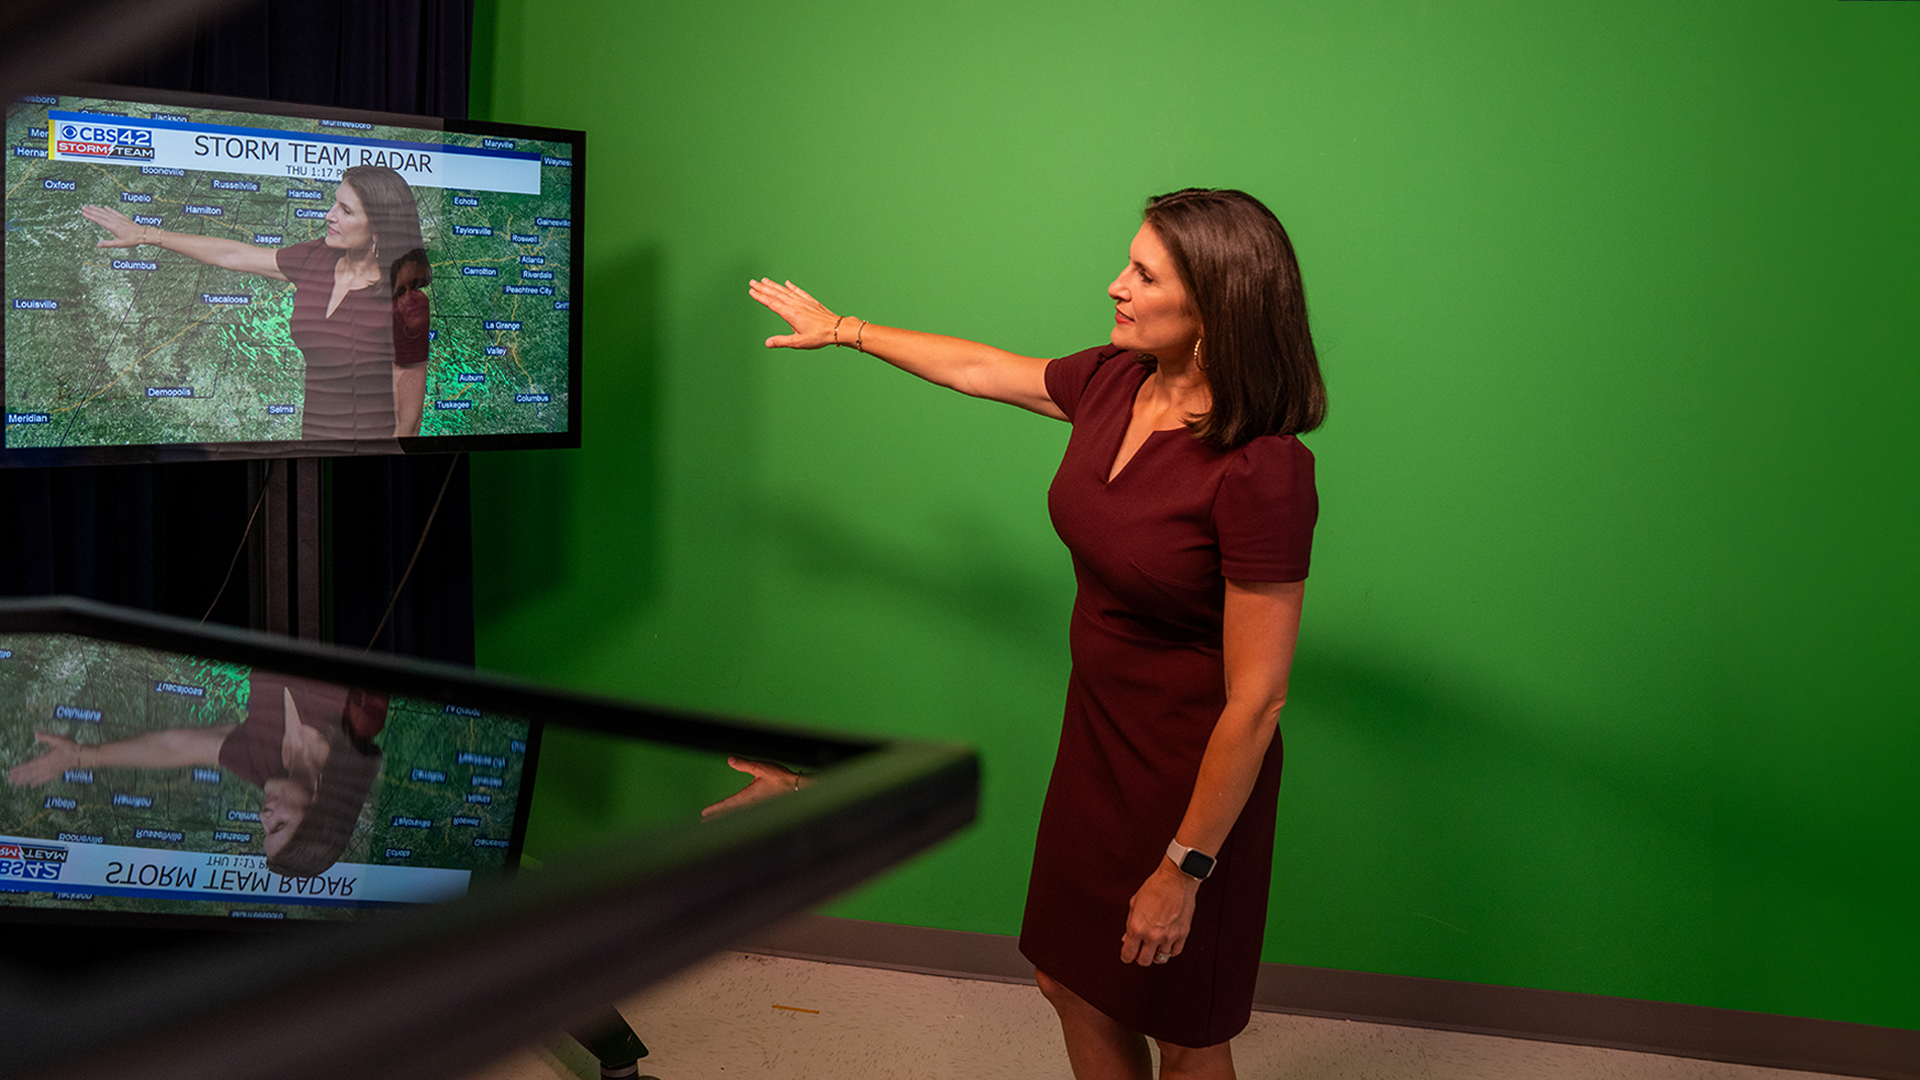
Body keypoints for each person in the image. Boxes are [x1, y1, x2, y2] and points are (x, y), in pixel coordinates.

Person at [746, 188, 1324, 1080]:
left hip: (1192, 776)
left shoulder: (1263, 470)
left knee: (1184, 1025)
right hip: (1098, 745)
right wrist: (847, 328)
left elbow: (1258, 700)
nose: (1114, 285)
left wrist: (1186, 867)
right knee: (1068, 977)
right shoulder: (1112, 381)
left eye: (1142, 273)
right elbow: (980, 368)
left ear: (1216, 305)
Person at [80, 164, 431, 441]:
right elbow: (235, 254)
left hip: (369, 454)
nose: (329, 215)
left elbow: (409, 417)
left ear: (378, 229)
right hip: (314, 442)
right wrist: (146, 235)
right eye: (333, 203)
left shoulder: (406, 304)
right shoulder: (315, 259)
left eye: (345, 210)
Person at [7, 671, 387, 879]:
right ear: (318, 811)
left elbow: (178, 746)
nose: (262, 816)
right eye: (278, 825)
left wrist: (82, 756)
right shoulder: (360, 722)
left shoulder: (263, 768)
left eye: (263, 829)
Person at [389, 247, 434, 437]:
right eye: (401, 292)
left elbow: (410, 423)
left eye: (416, 286)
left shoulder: (417, 307)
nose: (410, 299)